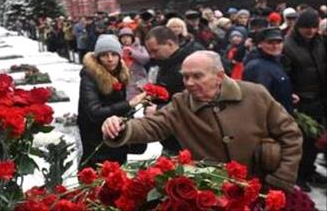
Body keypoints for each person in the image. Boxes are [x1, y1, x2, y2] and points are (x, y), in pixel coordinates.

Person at [102, 51, 303, 191]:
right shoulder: (181, 104)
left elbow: (291, 135)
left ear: (219, 76)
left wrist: (282, 179)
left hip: (261, 188)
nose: (189, 83)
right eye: (185, 77)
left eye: (197, 76)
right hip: (214, 195)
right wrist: (120, 127)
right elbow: (151, 126)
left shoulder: (255, 94)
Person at [77, 35, 146, 168]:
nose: (110, 59)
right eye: (104, 55)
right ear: (98, 57)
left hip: (115, 133)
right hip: (95, 136)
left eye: (114, 54)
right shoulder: (89, 76)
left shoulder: (121, 72)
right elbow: (94, 112)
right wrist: (129, 104)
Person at [283, 8, 327, 191]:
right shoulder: (289, 46)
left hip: (320, 98)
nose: (310, 31)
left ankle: (309, 170)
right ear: (299, 27)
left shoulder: (319, 42)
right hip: (302, 101)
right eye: (306, 27)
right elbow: (286, 74)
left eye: (314, 27)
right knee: (301, 141)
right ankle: (299, 175)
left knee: (316, 140)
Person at [144, 26, 201, 155]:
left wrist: (159, 109)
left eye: (155, 50)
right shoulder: (164, 64)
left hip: (186, 141)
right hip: (170, 136)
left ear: (170, 44)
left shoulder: (188, 68)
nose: (152, 56)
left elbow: (195, 103)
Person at [243, 28, 295, 113]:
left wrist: (287, 96)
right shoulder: (257, 67)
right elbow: (260, 98)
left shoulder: (276, 61)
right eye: (270, 43)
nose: (275, 46)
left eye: (279, 42)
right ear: (260, 44)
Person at [117, 27, 149, 99]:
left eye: (128, 37)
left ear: (132, 38)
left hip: (139, 80)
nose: (125, 39)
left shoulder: (140, 48)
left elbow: (145, 59)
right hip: (124, 81)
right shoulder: (118, 49)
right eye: (123, 37)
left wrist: (132, 53)